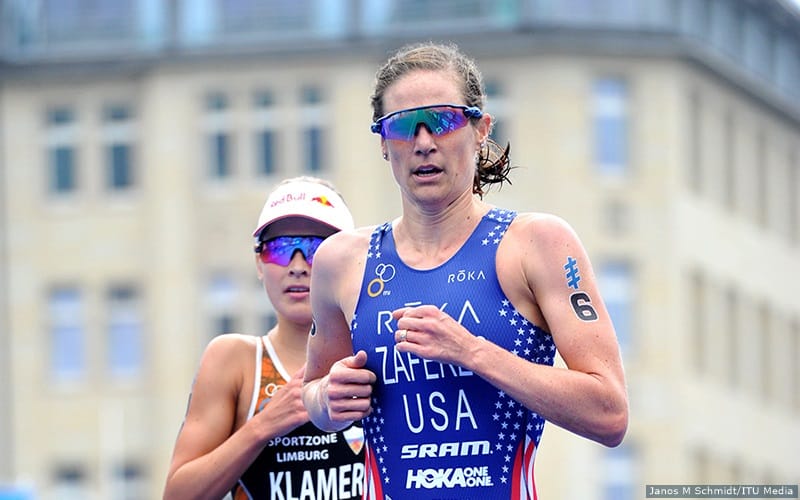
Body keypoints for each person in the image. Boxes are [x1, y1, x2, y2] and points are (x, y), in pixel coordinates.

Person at [301, 42, 629, 499]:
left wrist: (471, 351)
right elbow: (314, 391)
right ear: (383, 144)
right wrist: (328, 400)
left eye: (442, 120)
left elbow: (610, 414)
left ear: (480, 130)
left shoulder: (536, 243)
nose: (423, 143)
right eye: (402, 126)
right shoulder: (341, 261)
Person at [164, 176, 365, 500]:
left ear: (347, 260)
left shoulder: (375, 352)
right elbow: (178, 495)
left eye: (315, 248)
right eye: (280, 249)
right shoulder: (235, 361)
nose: (297, 266)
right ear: (259, 262)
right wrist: (264, 425)